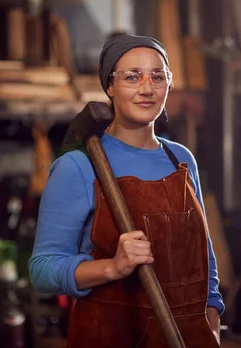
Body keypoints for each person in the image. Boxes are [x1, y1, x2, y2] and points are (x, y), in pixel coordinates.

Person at [29, 34, 223, 347]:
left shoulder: (182, 160)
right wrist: (113, 266)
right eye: (132, 77)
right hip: (112, 336)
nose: (147, 89)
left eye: (157, 77)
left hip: (187, 335)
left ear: (168, 85)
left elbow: (203, 255)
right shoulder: (78, 166)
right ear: (109, 86)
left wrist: (212, 315)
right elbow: (43, 270)